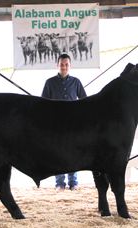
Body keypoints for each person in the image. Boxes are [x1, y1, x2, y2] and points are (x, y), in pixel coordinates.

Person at [41, 54, 87, 191]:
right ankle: (59, 184)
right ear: (57, 65)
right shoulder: (50, 83)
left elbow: (85, 101)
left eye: (66, 64)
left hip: (73, 124)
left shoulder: (76, 82)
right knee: (57, 153)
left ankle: (73, 183)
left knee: (73, 152)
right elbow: (43, 104)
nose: (64, 67)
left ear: (70, 65)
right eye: (62, 64)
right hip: (55, 124)